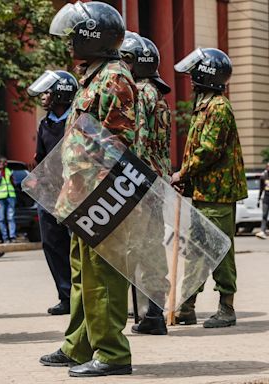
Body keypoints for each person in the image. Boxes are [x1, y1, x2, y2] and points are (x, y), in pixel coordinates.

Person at [39, 1, 138, 377]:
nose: (68, 43)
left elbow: (118, 142)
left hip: (100, 196)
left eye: (74, 36)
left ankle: (112, 353)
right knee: (82, 275)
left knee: (103, 278)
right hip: (81, 195)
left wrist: (96, 193)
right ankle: (79, 345)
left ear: (92, 38)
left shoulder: (114, 76)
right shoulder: (93, 75)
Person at [171, 47, 247, 328]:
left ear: (206, 75)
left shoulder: (218, 108)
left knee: (219, 249)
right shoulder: (204, 105)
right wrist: (188, 180)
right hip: (204, 192)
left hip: (218, 194)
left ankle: (226, 307)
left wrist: (182, 172)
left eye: (194, 73)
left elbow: (208, 150)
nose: (190, 78)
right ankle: (187, 307)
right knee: (196, 249)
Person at [120, 32, 172, 335]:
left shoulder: (140, 93)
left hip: (143, 184)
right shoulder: (157, 93)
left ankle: (150, 315)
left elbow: (137, 143)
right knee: (152, 248)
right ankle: (153, 313)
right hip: (157, 182)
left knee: (141, 248)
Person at [28, 69, 77, 316]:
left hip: (74, 193)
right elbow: (39, 158)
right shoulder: (45, 123)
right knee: (52, 243)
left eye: (48, 92)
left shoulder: (77, 121)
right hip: (49, 194)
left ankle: (81, 297)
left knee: (76, 246)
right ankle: (65, 295)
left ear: (61, 93)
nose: (43, 97)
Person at [0, 157, 17, 242]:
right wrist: (0, 172)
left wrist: (12, 178)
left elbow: (14, 183)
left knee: (11, 217)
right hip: (0, 197)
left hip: (10, 195)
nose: (4, 164)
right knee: (1, 218)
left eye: (5, 162)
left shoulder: (9, 171)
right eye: (3, 162)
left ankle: (12, 236)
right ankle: (5, 238)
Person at [256, 163, 269, 239]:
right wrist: (258, 199)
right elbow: (261, 189)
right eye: (268, 167)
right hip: (266, 198)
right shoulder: (264, 176)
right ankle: (262, 231)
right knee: (264, 215)